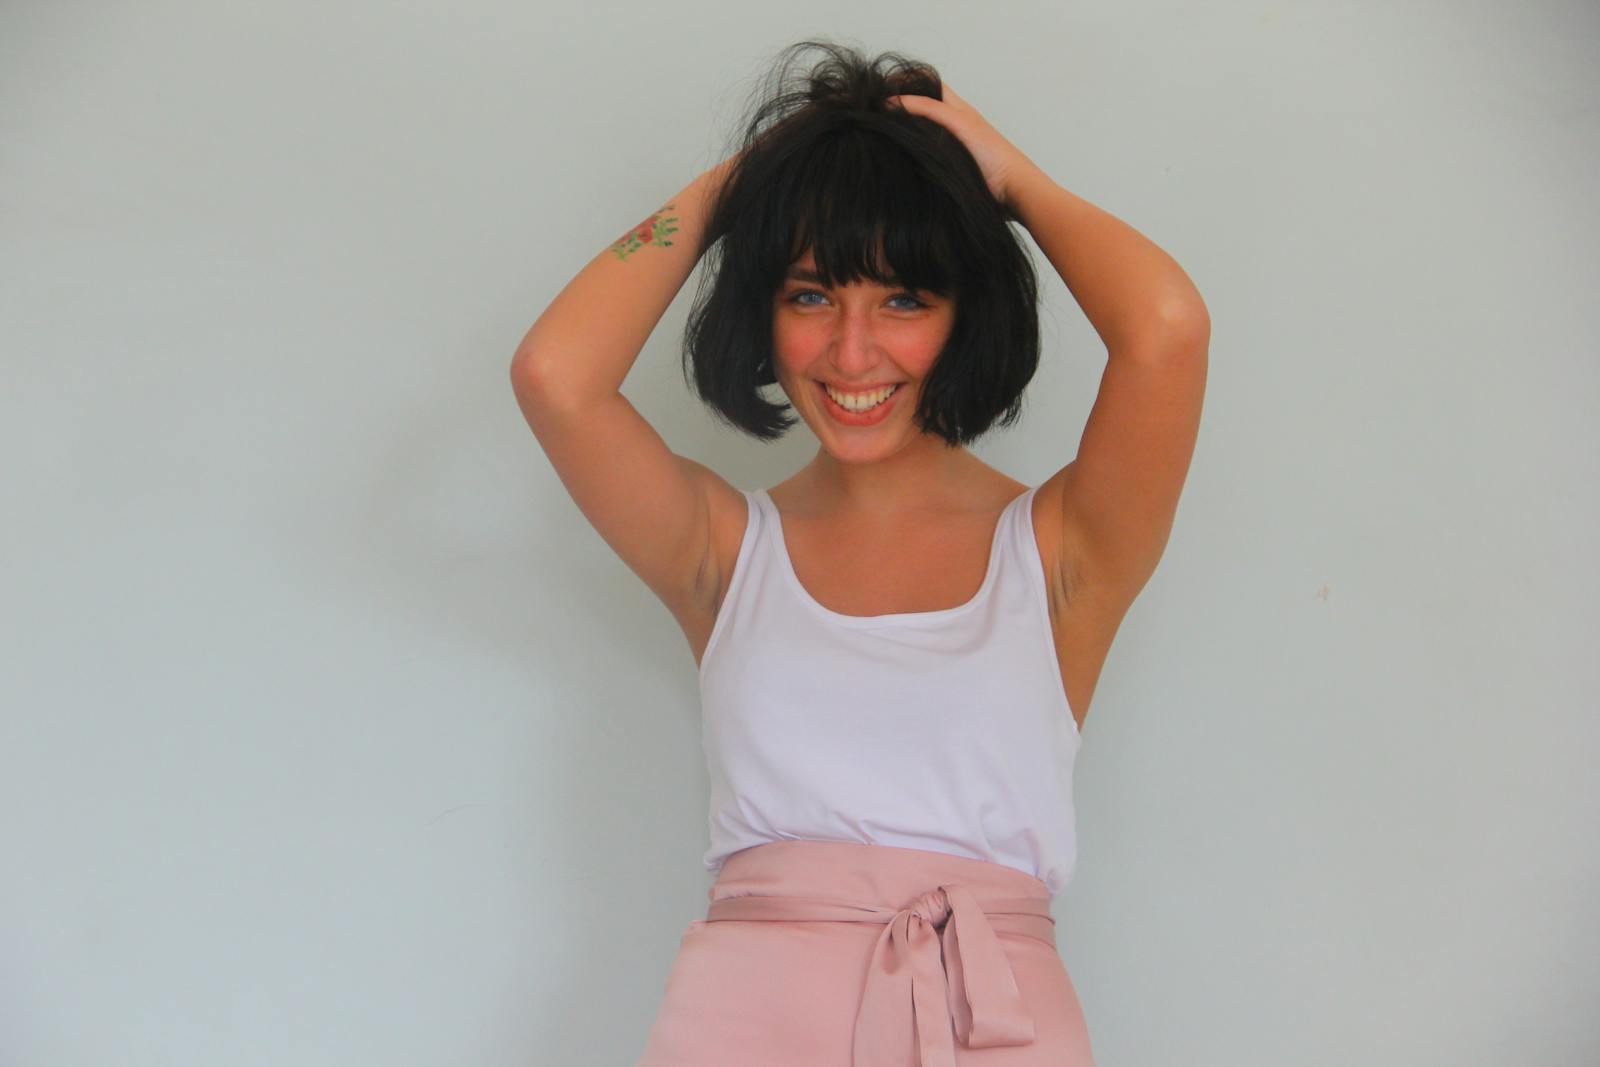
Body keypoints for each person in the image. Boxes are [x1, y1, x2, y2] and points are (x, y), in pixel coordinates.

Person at [511, 39, 1207, 1067]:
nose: (850, 352)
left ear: (966, 312)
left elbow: (1166, 326)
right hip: (740, 1028)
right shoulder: (723, 553)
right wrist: (750, 183)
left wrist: (1009, 180)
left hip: (991, 1017)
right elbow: (554, 371)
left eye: (902, 299)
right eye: (807, 294)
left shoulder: (1061, 553)